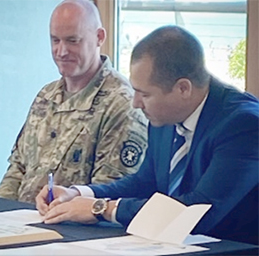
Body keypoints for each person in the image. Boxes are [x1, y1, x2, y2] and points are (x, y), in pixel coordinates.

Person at [36, 25, 259, 244]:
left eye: (145, 94)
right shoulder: (165, 115)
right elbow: (145, 182)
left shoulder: (243, 125)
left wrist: (102, 208)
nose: (135, 103)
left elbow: (197, 211)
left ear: (183, 89)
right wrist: (80, 193)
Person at [0, 0, 148, 204]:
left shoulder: (120, 103)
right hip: (20, 224)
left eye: (72, 41)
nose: (61, 51)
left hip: (75, 228)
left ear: (99, 37)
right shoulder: (45, 96)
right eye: (55, 40)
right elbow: (17, 169)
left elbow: (109, 193)